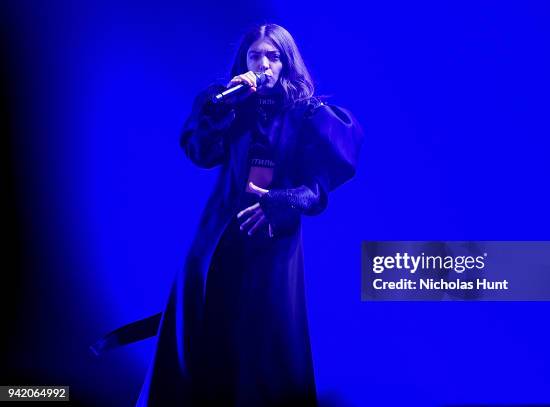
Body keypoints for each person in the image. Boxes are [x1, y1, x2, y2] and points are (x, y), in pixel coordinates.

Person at [93, 23, 363, 406]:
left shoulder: (310, 115)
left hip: (272, 239)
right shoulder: (229, 105)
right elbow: (201, 154)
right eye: (256, 56)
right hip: (217, 233)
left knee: (262, 341)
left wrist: (280, 200)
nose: (265, 64)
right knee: (203, 324)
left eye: (274, 56)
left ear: (287, 62)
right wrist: (222, 108)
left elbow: (317, 189)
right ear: (245, 60)